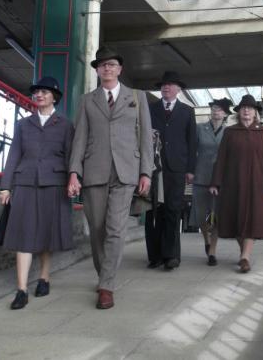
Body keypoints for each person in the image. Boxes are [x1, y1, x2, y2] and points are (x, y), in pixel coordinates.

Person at [67, 47, 153, 309]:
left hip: (126, 171)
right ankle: (103, 273)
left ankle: (106, 285)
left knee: (116, 229)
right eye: (102, 65)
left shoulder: (136, 97)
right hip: (94, 170)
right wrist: (74, 172)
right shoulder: (86, 100)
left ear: (120, 69)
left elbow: (145, 137)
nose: (107, 68)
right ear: (97, 70)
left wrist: (146, 171)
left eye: (112, 64)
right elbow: (79, 139)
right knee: (97, 230)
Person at [0, 77, 74, 310]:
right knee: (24, 233)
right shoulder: (23, 125)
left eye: (44, 92)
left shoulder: (65, 125)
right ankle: (21, 290)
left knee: (46, 233)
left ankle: (44, 277)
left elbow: (70, 155)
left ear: (54, 97)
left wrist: (74, 179)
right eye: (36, 92)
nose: (39, 95)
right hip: (25, 182)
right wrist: (5, 186)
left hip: (54, 182)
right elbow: (14, 155)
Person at [209, 94, 263, 273]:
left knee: (253, 220)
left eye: (250, 108)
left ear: (256, 112)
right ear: (238, 112)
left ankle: (245, 257)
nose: (246, 110)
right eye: (243, 108)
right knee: (236, 220)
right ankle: (244, 253)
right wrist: (215, 182)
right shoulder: (230, 132)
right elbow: (222, 159)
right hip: (233, 184)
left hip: (257, 184)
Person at [148, 71, 197, 270]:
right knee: (154, 211)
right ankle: (155, 255)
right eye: (163, 85)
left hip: (177, 169)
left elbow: (192, 142)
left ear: (178, 89)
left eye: (170, 85)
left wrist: (190, 169)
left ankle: (172, 256)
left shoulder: (187, 111)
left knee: (173, 210)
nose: (166, 87)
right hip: (154, 168)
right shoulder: (151, 109)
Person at [189, 98, 232, 266]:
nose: (216, 111)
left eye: (220, 109)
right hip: (201, 176)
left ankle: (212, 250)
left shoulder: (229, 132)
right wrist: (190, 170)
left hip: (221, 179)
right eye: (214, 108)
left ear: (226, 114)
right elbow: (192, 150)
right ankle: (206, 239)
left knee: (217, 216)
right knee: (201, 216)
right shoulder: (200, 128)